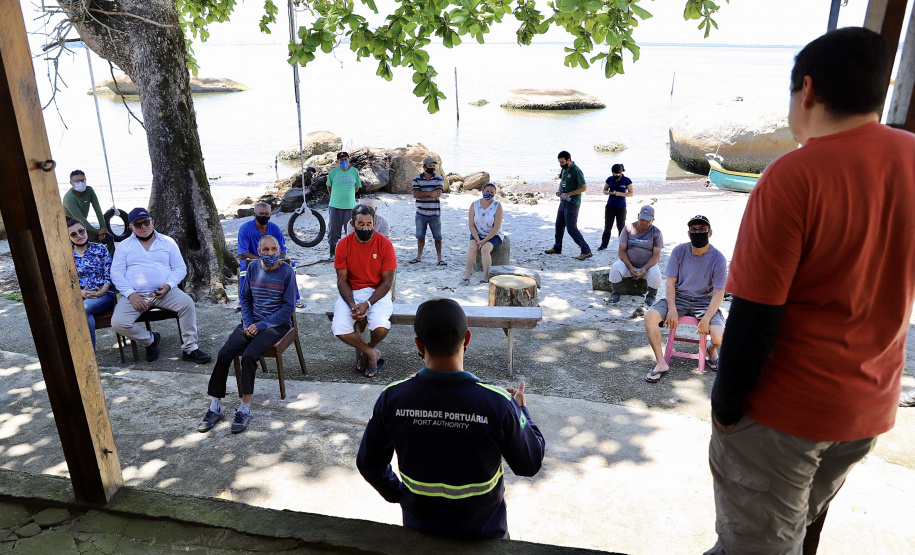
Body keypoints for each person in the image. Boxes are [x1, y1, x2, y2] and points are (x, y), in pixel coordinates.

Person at [705, 28, 915, 555]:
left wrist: (725, 408)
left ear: (808, 90)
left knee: (757, 544)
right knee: (800, 527)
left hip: (785, 412)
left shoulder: (793, 176)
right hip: (866, 408)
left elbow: (755, 315)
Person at [356, 298, 545, 539]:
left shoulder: (393, 398)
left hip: (420, 533)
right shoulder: (498, 402)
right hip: (485, 537)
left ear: (418, 345)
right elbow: (530, 463)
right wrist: (522, 413)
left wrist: (397, 492)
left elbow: (369, 463)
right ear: (467, 339)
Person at [198, 235, 296, 435]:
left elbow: (288, 308)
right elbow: (245, 297)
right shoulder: (252, 268)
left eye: (274, 249)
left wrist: (260, 325)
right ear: (259, 252)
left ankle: (244, 408)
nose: (270, 253)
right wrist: (249, 323)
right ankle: (215, 406)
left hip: (275, 325)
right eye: (266, 250)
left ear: (279, 250)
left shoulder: (286, 271)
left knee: (250, 356)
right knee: (224, 353)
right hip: (252, 323)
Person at [110, 208, 211, 364]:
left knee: (187, 303)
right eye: (137, 225)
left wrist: (169, 285)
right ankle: (150, 340)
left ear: (152, 222)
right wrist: (131, 294)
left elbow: (180, 268)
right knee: (118, 323)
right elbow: (116, 274)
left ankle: (190, 349)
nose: (143, 227)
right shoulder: (124, 246)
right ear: (131, 228)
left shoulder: (168, 242)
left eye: (146, 222)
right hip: (136, 295)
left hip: (165, 292)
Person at [643, 215, 726, 383]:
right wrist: (672, 309)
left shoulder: (718, 258)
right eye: (694, 230)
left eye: (702, 229)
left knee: (720, 337)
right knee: (649, 316)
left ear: (710, 233)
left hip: (705, 302)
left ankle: (710, 350)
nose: (698, 233)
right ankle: (661, 363)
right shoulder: (679, 251)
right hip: (679, 298)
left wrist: (707, 318)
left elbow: (719, 292)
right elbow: (670, 283)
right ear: (689, 234)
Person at [332, 204, 397, 377]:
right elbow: (342, 280)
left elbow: (387, 282)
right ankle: (370, 353)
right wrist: (353, 304)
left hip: (377, 292)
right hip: (352, 292)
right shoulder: (343, 245)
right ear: (352, 224)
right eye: (361, 224)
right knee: (339, 327)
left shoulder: (385, 244)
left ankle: (370, 348)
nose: (365, 227)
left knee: (381, 326)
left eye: (368, 224)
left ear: (374, 223)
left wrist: (367, 304)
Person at [237, 202, 303, 310]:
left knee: (291, 265)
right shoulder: (245, 229)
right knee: (244, 268)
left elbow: (282, 250)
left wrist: (276, 259)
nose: (263, 216)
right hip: (253, 259)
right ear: (254, 214)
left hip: (273, 258)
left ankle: (294, 298)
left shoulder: (275, 228)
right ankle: (242, 301)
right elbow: (243, 253)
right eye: (261, 213)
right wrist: (263, 260)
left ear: (270, 215)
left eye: (266, 214)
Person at [67, 217, 116, 351]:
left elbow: (110, 273)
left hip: (104, 296)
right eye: (73, 234)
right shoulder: (67, 256)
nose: (79, 236)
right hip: (79, 297)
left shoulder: (100, 249)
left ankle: (90, 353)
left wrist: (103, 290)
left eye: (81, 231)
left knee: (84, 308)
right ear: (68, 237)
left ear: (86, 230)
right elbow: (67, 282)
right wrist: (80, 292)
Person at [608, 205, 663, 305]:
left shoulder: (657, 233)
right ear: (638, 216)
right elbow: (622, 251)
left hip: (647, 267)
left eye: (647, 220)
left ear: (652, 219)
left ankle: (651, 296)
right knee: (615, 268)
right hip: (628, 264)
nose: (644, 223)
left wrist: (645, 268)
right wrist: (630, 266)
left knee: (656, 275)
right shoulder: (628, 229)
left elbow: (656, 256)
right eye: (642, 219)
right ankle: (615, 293)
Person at [544, 151, 591, 260]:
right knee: (559, 226)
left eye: (563, 162)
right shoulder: (564, 169)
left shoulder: (577, 171)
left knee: (571, 228)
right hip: (563, 201)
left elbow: (583, 188)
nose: (561, 164)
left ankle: (586, 250)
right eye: (559, 162)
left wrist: (568, 194)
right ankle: (557, 248)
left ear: (569, 160)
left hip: (573, 203)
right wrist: (560, 190)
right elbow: (562, 181)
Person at [461, 183, 504, 285]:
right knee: (472, 247)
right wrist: (477, 240)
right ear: (482, 191)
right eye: (487, 191)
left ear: (494, 194)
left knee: (485, 249)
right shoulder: (474, 205)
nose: (489, 194)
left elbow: (496, 226)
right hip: (478, 233)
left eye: (491, 192)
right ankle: (467, 275)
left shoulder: (497, 206)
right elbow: (471, 225)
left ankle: (485, 277)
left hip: (494, 234)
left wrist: (483, 242)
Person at [62, 170, 114, 252]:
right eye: (77, 181)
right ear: (71, 183)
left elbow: (98, 209)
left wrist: (103, 228)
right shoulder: (69, 198)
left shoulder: (89, 190)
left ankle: (112, 263)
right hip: (71, 230)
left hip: (83, 227)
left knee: (109, 237)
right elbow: (80, 218)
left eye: (82, 180)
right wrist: (97, 232)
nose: (80, 183)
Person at [409, 156, 446, 265]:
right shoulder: (417, 179)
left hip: (435, 213)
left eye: (433, 166)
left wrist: (425, 194)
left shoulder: (439, 178)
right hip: (421, 213)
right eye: (430, 166)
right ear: (424, 167)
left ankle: (440, 258)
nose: (432, 168)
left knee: (438, 237)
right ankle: (419, 256)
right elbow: (416, 194)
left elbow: (438, 193)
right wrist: (430, 193)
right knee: (420, 236)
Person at [326, 151, 362, 259]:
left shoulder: (354, 172)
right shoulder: (333, 172)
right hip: (335, 206)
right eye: (341, 160)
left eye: (346, 159)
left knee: (350, 231)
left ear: (349, 160)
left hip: (350, 207)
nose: (344, 161)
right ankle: (332, 253)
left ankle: (351, 253)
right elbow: (329, 187)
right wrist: (335, 197)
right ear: (337, 161)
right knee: (333, 230)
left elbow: (357, 187)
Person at [599, 163, 633, 251]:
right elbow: (604, 190)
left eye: (617, 173)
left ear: (621, 172)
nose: (615, 175)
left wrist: (619, 194)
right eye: (613, 173)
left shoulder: (626, 180)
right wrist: (610, 193)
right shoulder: (610, 179)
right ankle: (603, 245)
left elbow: (631, 193)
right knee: (607, 226)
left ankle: (622, 246)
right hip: (610, 206)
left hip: (621, 207)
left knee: (621, 227)